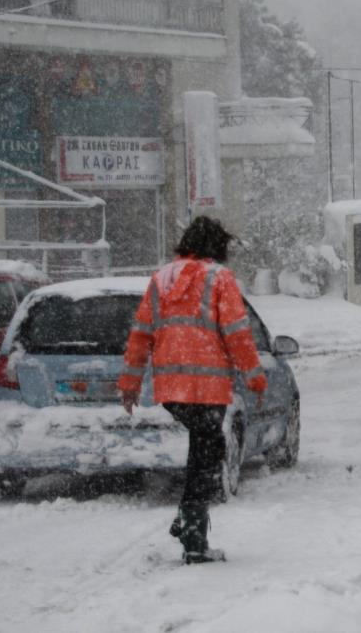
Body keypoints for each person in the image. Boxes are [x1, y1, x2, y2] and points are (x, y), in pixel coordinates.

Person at [117, 216, 267, 564]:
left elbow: (141, 334)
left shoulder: (161, 279)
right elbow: (237, 333)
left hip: (172, 389)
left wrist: (130, 384)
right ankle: (192, 534)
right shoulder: (219, 277)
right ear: (217, 245)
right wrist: (255, 378)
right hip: (208, 387)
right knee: (208, 454)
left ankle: (188, 525)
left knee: (204, 450)